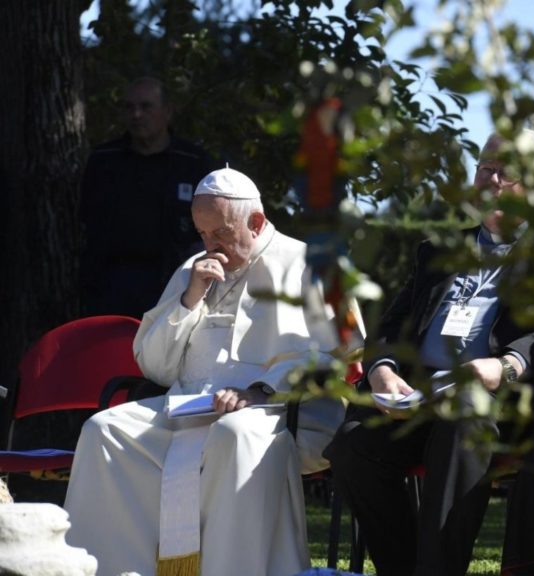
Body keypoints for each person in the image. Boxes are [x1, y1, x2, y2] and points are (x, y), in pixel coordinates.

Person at [323, 128, 534, 576]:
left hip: (505, 403)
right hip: (418, 397)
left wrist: (507, 365)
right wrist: (381, 369)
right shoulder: (437, 250)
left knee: (465, 412)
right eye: (485, 169)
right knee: (352, 445)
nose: (492, 181)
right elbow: (392, 327)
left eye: (507, 171)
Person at [64, 167, 364, 576]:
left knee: (234, 435)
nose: (210, 246)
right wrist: (189, 299)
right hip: (190, 408)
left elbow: (340, 356)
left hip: (285, 412)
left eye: (220, 233)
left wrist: (262, 392)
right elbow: (154, 365)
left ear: (255, 223)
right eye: (202, 234)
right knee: (104, 430)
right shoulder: (195, 267)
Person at [80, 76, 214, 319]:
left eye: (145, 106)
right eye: (129, 107)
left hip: (175, 286)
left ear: (167, 111)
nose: (137, 115)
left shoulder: (192, 162)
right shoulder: (103, 161)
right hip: (111, 288)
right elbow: (85, 221)